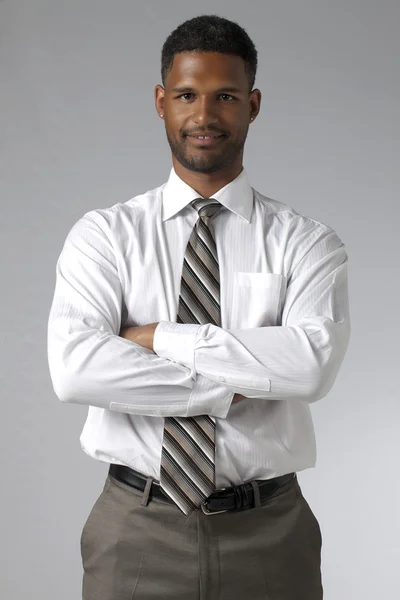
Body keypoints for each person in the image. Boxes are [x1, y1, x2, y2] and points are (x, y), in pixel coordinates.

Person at [47, 14, 350, 600]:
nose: (205, 116)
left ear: (253, 105)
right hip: (135, 529)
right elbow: (76, 369)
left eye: (226, 97)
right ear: (161, 101)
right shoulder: (105, 236)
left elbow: (310, 367)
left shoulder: (306, 242)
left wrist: (159, 336)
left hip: (271, 532)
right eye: (186, 95)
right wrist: (231, 385)